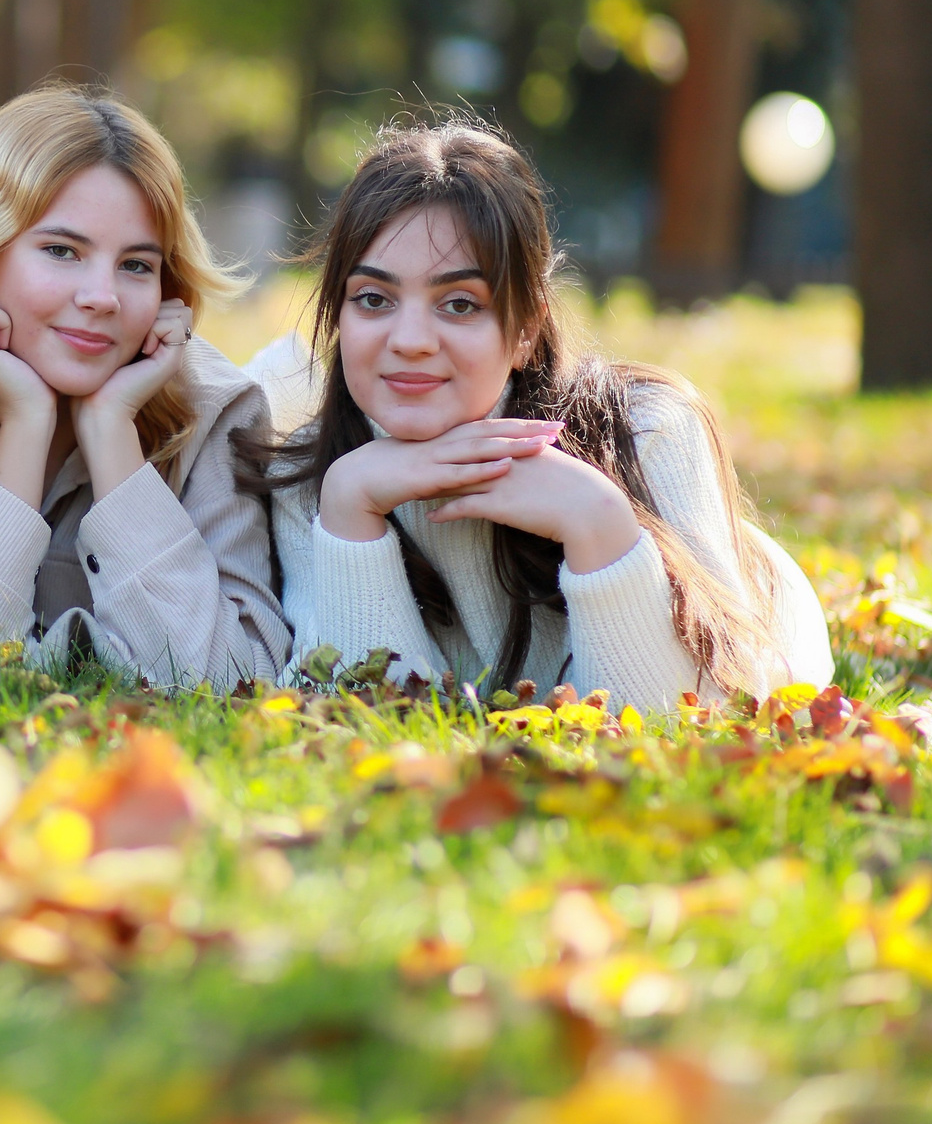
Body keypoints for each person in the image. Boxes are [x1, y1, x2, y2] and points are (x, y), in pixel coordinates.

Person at [254, 116, 831, 709]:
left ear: (526, 327)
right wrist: (352, 505)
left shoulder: (646, 431)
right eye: (373, 300)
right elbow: (365, 718)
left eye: (458, 304)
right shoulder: (315, 480)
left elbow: (688, 722)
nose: (410, 340)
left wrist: (599, 522)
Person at [0, 87, 288, 688]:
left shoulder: (215, 412)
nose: (103, 297)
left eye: (136, 265)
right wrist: (23, 425)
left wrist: (112, 434)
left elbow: (229, 682)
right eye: (61, 251)